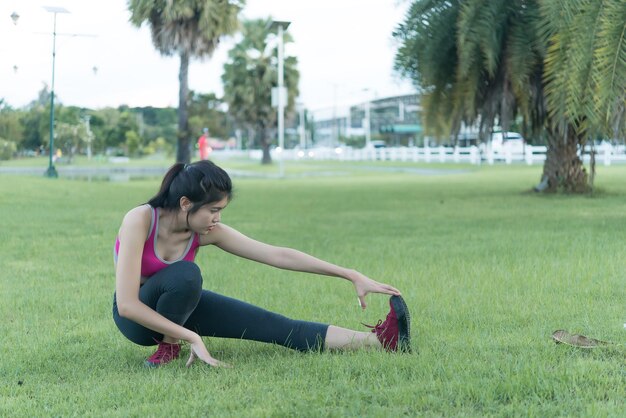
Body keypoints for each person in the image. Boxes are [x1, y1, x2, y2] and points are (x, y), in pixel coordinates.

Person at [113, 160, 411, 368]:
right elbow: (126, 304)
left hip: (180, 310)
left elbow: (277, 255)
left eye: (221, 210)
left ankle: (381, 341)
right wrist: (189, 336)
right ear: (185, 203)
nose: (218, 218)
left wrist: (348, 274)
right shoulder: (140, 220)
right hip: (137, 321)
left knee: (276, 326)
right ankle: (168, 347)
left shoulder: (206, 231)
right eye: (213, 210)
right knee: (186, 275)